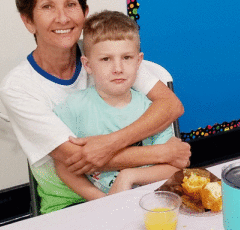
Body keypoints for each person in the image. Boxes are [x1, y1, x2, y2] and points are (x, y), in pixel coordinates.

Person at [0, 0, 191, 214]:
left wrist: (109, 144)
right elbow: (75, 160)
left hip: (140, 190)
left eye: (71, 4)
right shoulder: (17, 87)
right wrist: (163, 152)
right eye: (47, 7)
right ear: (28, 21)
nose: (63, 17)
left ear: (84, 12)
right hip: (70, 203)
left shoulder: (107, 53)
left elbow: (171, 105)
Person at [53, 10, 181, 199]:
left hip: (151, 202)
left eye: (127, 58)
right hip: (98, 206)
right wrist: (102, 201)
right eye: (106, 59)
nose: (118, 69)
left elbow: (174, 168)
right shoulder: (73, 108)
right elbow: (64, 166)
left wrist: (129, 175)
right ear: (87, 65)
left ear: (138, 62)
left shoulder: (151, 111)